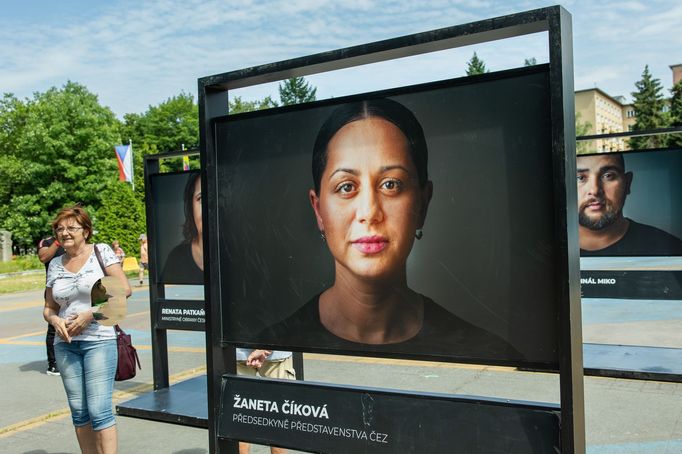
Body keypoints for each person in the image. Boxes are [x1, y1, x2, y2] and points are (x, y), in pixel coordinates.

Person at [262, 98, 519, 360]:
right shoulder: (266, 351)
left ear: (423, 203)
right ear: (318, 210)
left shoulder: (493, 358)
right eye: (346, 187)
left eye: (391, 184)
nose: (370, 213)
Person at [43, 205, 131, 454]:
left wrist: (89, 314)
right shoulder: (55, 264)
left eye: (71, 228)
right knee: (79, 411)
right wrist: (55, 321)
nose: (64, 232)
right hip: (65, 345)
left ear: (86, 230)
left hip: (99, 340)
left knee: (99, 409)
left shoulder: (100, 252)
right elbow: (49, 307)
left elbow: (124, 289)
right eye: (60, 228)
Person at [577, 153, 682, 256]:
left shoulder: (672, 249)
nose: (594, 190)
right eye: (580, 178)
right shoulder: (560, 254)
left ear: (627, 183)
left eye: (608, 176)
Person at [236, 348, 294, 454]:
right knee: (278, 418)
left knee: (239, 416)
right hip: (276, 353)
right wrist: (264, 348)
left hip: (239, 350)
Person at [161, 173, 203, 284]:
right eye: (201, 198)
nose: (209, 207)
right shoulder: (176, 259)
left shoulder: (242, 254)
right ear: (191, 207)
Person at [37, 235, 65, 376]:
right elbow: (43, 257)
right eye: (60, 227)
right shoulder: (47, 241)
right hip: (54, 290)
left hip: (75, 289)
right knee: (54, 326)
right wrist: (57, 242)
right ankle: (53, 364)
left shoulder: (75, 239)